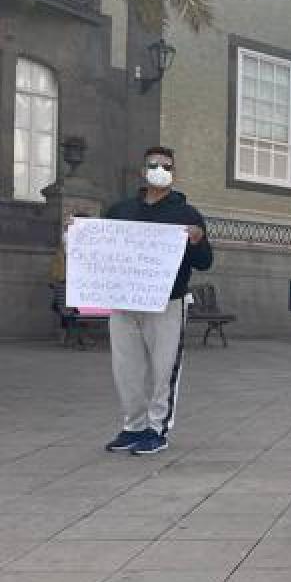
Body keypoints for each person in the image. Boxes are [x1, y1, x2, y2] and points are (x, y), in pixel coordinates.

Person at [102, 146, 213, 455]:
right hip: (125, 302)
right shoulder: (120, 210)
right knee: (126, 368)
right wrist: (79, 232)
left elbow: (205, 262)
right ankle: (132, 426)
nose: (160, 170)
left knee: (164, 369)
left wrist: (198, 240)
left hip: (167, 304)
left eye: (166, 166)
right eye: (154, 165)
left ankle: (156, 428)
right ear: (143, 171)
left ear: (174, 174)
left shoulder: (188, 215)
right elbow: (101, 248)